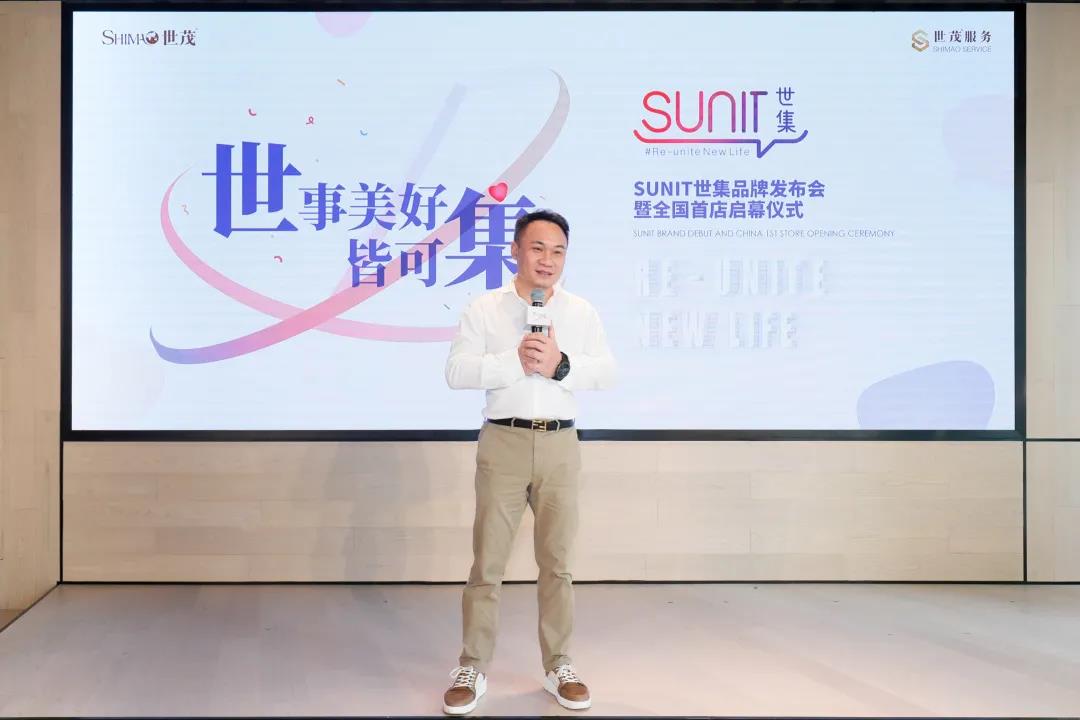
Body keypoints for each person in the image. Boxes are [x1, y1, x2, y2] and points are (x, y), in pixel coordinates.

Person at [441, 209, 616, 715]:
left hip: (561, 444)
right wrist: (511, 362)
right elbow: (456, 371)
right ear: (515, 250)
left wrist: (561, 365)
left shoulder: (581, 311)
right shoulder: (484, 308)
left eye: (558, 251)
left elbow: (606, 372)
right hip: (504, 441)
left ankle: (560, 664)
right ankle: (472, 666)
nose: (548, 260)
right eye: (537, 248)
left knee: (557, 564)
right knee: (488, 563)